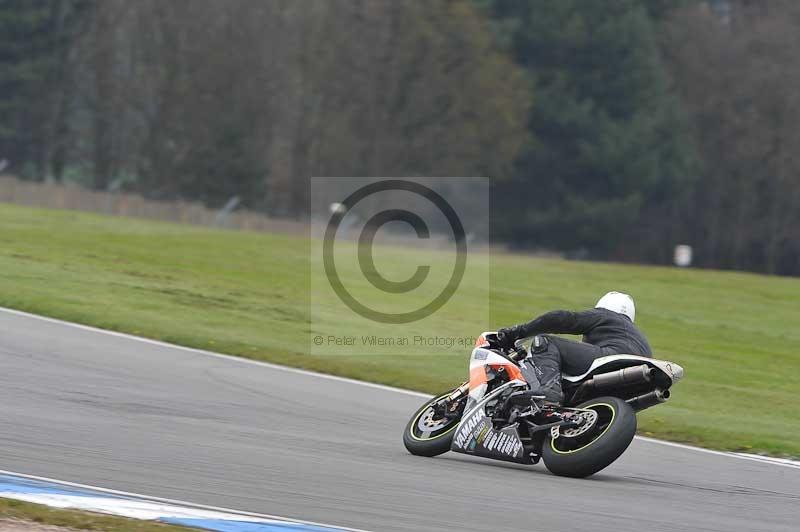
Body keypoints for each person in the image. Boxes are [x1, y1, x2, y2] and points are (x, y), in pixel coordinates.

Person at [496, 291, 652, 404]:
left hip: (611, 359)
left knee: (544, 342)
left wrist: (517, 332)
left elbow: (561, 319)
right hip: (639, 375)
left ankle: (549, 389)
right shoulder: (639, 337)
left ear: (602, 307)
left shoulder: (605, 315)